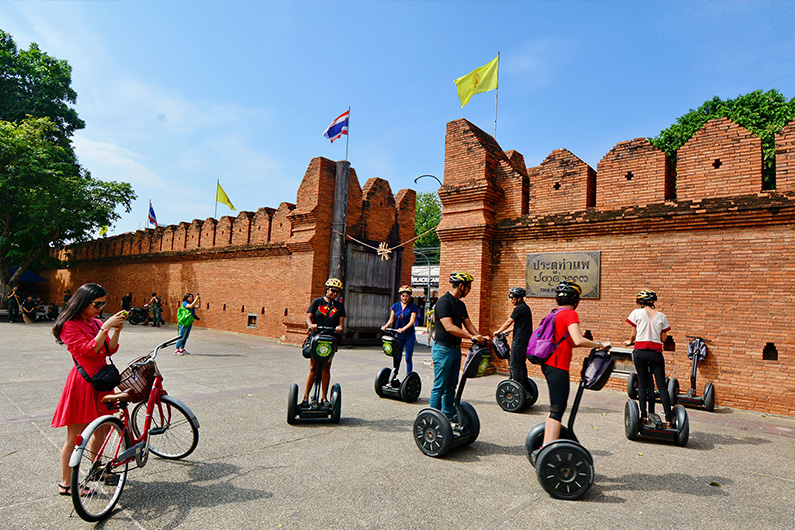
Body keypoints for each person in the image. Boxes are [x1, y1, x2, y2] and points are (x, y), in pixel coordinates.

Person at [50, 283, 128, 497]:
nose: (100, 308)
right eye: (97, 304)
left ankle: (96, 468)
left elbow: (109, 349)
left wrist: (116, 331)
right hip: (83, 383)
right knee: (76, 436)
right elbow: (89, 350)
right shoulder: (69, 325)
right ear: (83, 302)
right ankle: (66, 484)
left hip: (101, 381)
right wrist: (105, 328)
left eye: (103, 304)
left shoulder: (94, 321)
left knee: (102, 428)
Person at [540, 281, 611, 447]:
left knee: (555, 408)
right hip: (558, 366)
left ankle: (547, 444)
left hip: (549, 364)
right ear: (575, 299)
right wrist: (600, 344)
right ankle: (547, 448)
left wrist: (592, 344)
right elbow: (578, 338)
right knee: (557, 409)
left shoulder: (555, 313)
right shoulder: (570, 314)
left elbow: (571, 342)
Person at [431, 272, 487, 423]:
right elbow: (449, 327)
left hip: (455, 349)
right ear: (461, 286)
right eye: (468, 287)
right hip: (443, 349)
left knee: (451, 386)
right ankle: (434, 418)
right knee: (440, 386)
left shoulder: (460, 304)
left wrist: (479, 336)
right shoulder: (443, 302)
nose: (469, 290)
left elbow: (468, 324)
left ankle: (448, 416)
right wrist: (470, 337)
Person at [626, 289, 673, 428]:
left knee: (642, 383)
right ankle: (669, 420)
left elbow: (633, 334)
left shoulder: (636, 313)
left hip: (640, 351)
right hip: (655, 353)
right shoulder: (662, 316)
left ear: (640, 302)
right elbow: (663, 338)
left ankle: (644, 417)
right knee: (662, 387)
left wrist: (629, 342)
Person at [303, 278, 346, 406]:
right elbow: (308, 318)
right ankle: (305, 398)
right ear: (327, 289)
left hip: (330, 340)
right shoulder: (317, 302)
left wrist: (339, 328)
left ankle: (324, 398)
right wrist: (311, 325)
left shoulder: (339, 306)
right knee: (313, 368)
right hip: (316, 337)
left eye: (337, 292)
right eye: (333, 290)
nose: (335, 293)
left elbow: (341, 323)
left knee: (326, 367)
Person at [492, 287, 534, 393]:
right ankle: (524, 387)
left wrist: (498, 331)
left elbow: (509, 321)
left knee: (514, 364)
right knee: (521, 363)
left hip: (519, 341)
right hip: (525, 341)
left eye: (512, 297)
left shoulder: (519, 308)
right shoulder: (526, 308)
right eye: (510, 297)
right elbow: (519, 325)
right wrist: (508, 331)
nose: (511, 299)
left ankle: (515, 387)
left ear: (519, 298)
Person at [381, 285, 420, 382]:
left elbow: (412, 321)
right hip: (399, 336)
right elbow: (391, 319)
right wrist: (386, 326)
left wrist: (403, 328)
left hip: (409, 336)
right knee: (397, 356)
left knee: (408, 357)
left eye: (407, 296)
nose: (405, 298)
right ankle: (394, 375)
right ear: (400, 296)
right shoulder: (395, 306)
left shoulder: (413, 307)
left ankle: (408, 378)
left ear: (409, 297)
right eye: (403, 296)